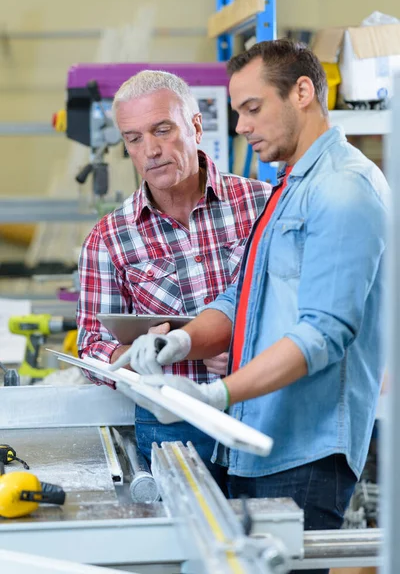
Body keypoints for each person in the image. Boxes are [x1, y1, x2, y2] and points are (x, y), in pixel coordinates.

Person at [112, 40, 389, 573]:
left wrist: (215, 393)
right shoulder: (288, 187)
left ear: (302, 92)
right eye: (238, 111)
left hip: (304, 450)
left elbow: (323, 334)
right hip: (256, 442)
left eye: (253, 108)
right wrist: (179, 342)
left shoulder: (343, 190)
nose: (240, 126)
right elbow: (241, 296)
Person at [76, 69, 271, 484]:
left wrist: (247, 346)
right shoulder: (109, 238)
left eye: (162, 130)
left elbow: (298, 306)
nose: (150, 150)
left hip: (265, 408)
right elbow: (92, 345)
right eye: (134, 138)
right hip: (172, 426)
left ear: (196, 127)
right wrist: (133, 359)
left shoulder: (260, 205)